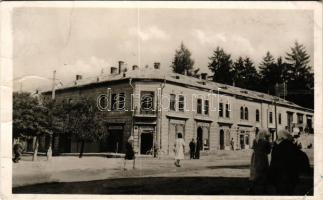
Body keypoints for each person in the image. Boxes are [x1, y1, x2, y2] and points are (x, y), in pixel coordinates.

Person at [268, 129, 301, 195]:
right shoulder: (288, 143)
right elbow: (293, 155)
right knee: (287, 184)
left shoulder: (275, 144)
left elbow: (273, 156)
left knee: (279, 184)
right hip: (286, 167)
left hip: (277, 167)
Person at [249, 129, 271, 194]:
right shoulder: (266, 142)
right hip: (263, 158)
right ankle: (265, 189)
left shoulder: (255, 140)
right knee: (264, 173)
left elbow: (253, 148)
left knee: (256, 174)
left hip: (255, 158)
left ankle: (252, 188)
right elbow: (268, 152)